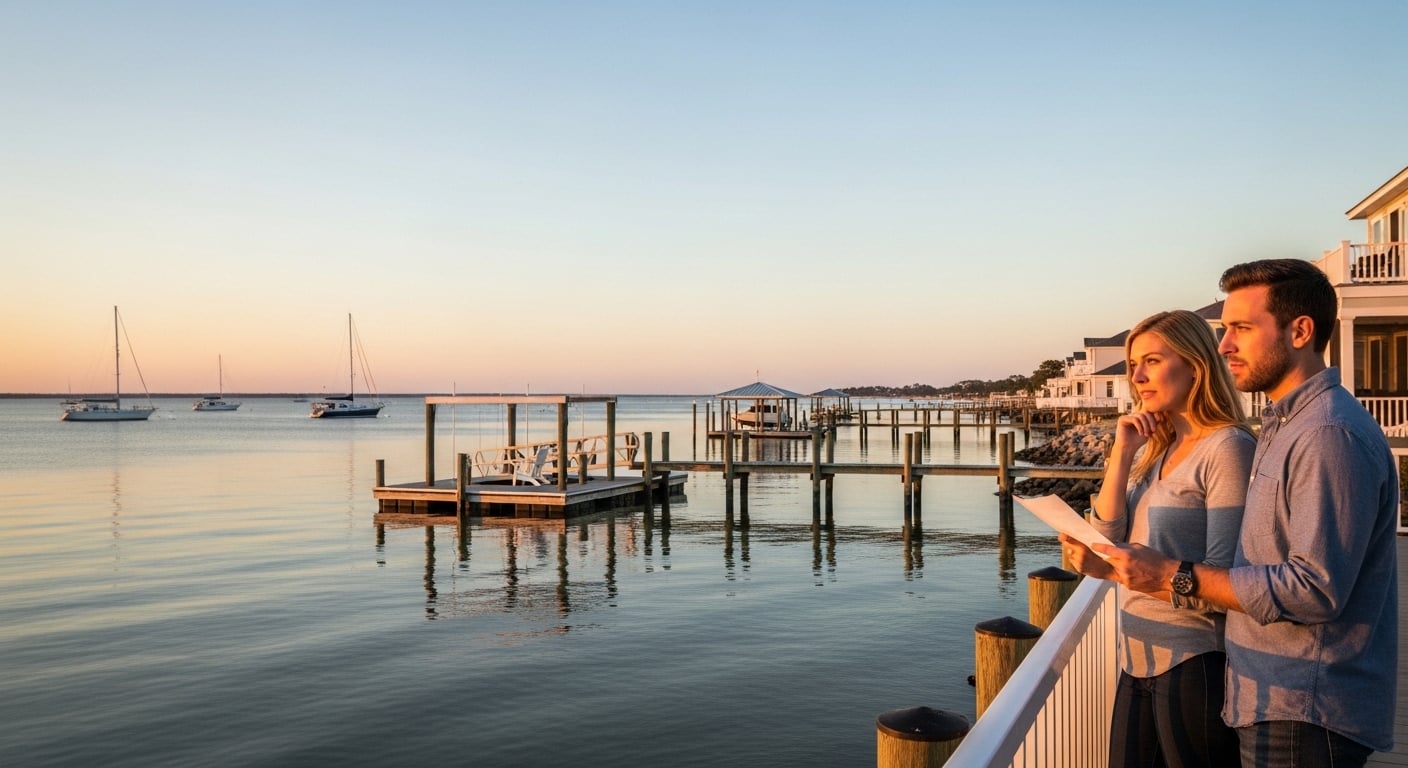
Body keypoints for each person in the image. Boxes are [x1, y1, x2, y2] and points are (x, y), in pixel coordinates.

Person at [1087, 258, 1399, 767]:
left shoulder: (1326, 434)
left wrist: (1172, 575)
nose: (1225, 344)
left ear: (1300, 331)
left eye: (1241, 328)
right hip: (1268, 690)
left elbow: (1316, 588)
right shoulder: (1284, 428)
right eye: (1225, 330)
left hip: (1304, 702)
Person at [1062, 309, 1254, 768]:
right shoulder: (1159, 447)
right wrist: (1123, 451)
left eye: (1151, 361)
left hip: (1194, 660)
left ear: (1195, 364)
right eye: (1132, 365)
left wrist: (1119, 569)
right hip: (1137, 654)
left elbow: (1229, 581)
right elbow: (1108, 537)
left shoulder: (1226, 447)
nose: (1138, 376)